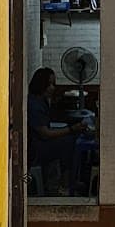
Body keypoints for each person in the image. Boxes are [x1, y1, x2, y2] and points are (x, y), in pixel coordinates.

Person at [28, 66, 81, 194]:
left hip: (39, 143)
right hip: (35, 149)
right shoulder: (34, 105)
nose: (52, 88)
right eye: (49, 84)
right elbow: (45, 133)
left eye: (53, 84)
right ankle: (66, 183)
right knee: (69, 142)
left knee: (69, 139)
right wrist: (71, 129)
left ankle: (69, 180)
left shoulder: (41, 101)